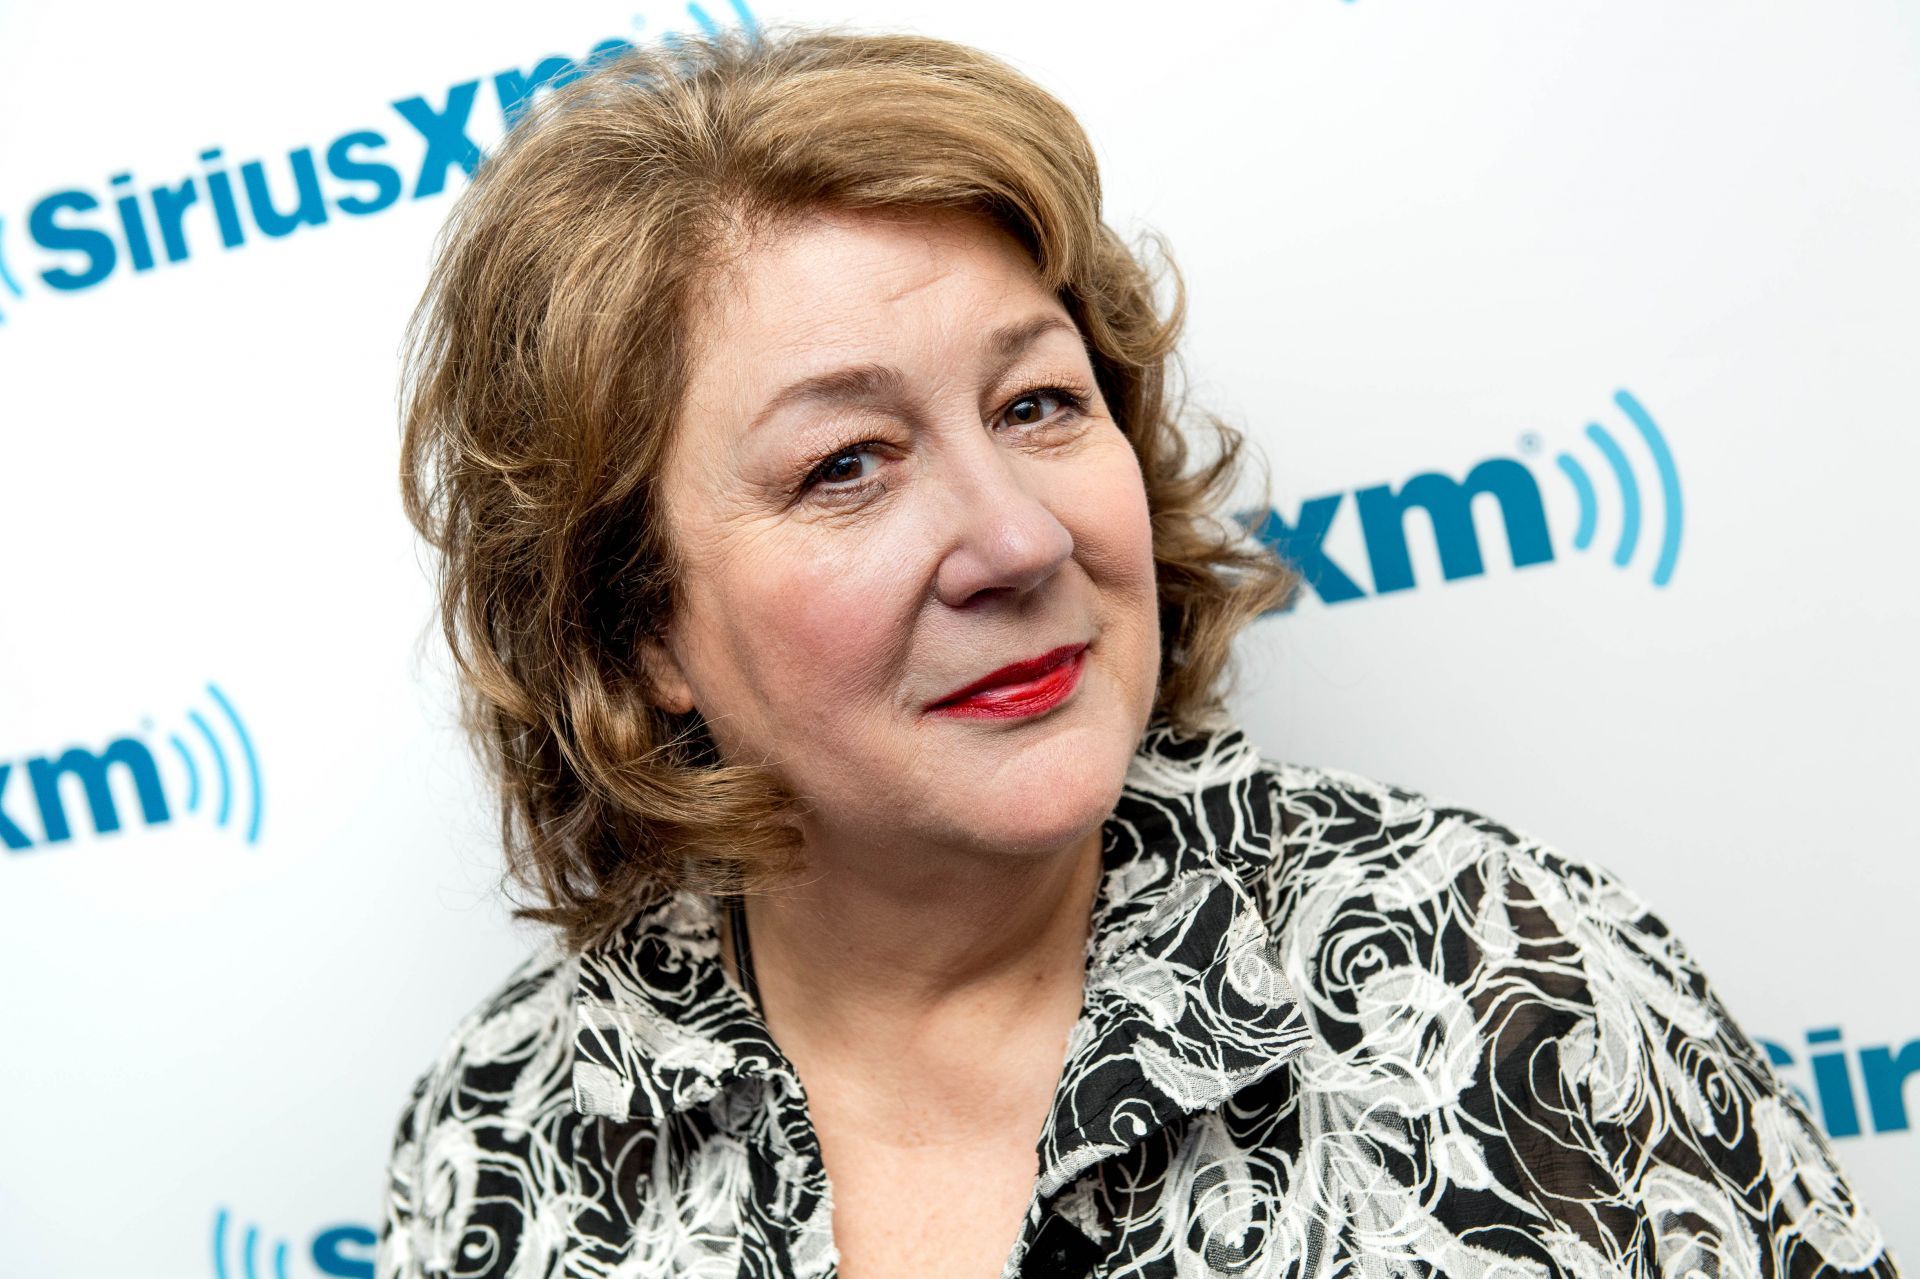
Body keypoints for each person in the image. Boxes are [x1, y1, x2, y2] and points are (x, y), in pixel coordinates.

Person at [376, 26, 1898, 1279]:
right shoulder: (513, 1133)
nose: (1019, 541)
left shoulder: (1500, 990)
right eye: (847, 464)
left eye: (1039, 404)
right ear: (638, 631)